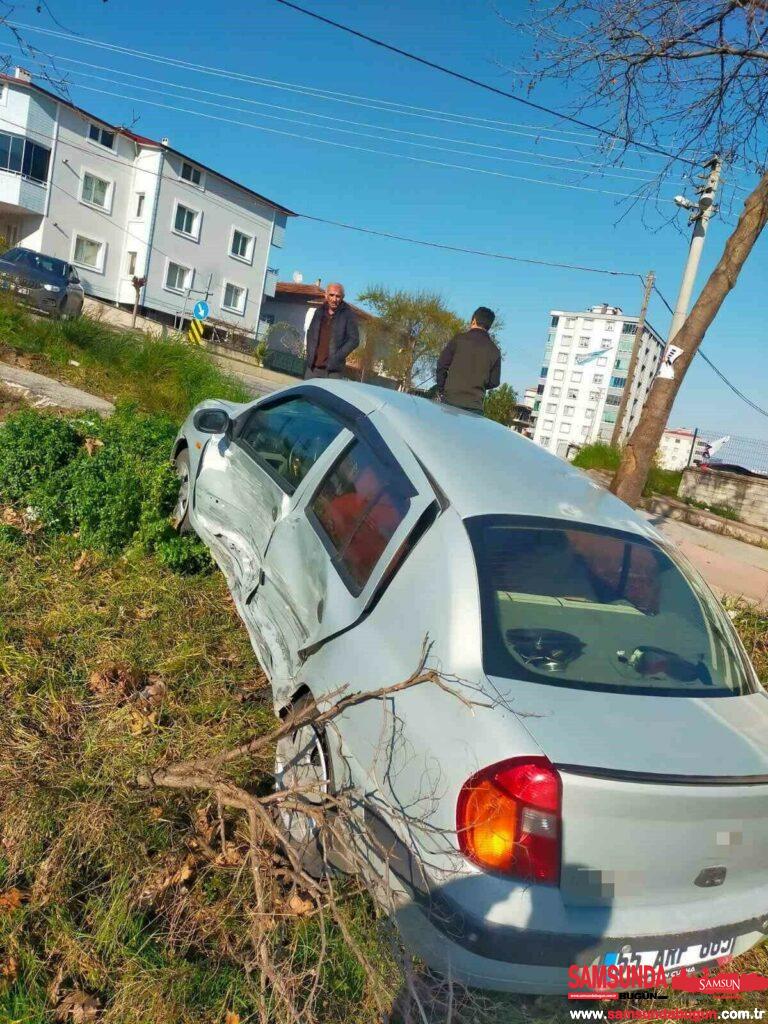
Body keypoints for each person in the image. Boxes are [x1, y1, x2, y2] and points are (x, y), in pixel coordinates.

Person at [436, 306, 501, 413]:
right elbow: (494, 382)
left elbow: (441, 365)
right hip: (475, 406)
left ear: (474, 320)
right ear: (489, 326)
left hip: (450, 400)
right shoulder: (495, 350)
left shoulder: (459, 339)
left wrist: (442, 389)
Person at [304, 282, 360, 379]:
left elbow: (354, 340)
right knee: (306, 394)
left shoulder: (348, 314)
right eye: (331, 295)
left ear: (342, 297)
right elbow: (310, 332)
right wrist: (310, 353)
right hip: (313, 368)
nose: (334, 299)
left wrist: (336, 358)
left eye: (338, 296)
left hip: (333, 371)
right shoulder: (319, 312)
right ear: (326, 295)